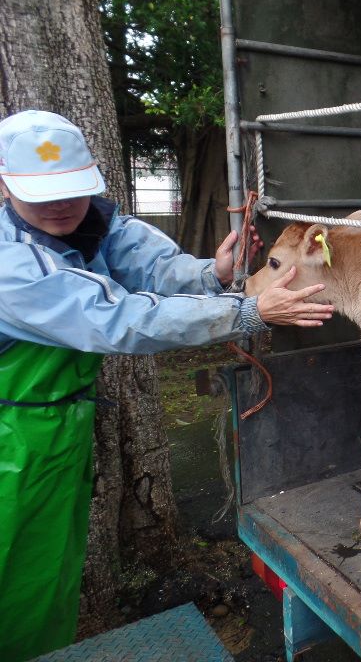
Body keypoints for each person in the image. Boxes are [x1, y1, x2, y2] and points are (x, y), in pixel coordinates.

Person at [0, 109, 333, 661]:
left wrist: (213, 274)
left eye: (72, 190)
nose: (61, 205)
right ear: (4, 183)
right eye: (42, 194)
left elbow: (151, 265)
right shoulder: (13, 266)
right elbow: (119, 317)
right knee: (12, 575)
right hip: (11, 441)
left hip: (58, 431)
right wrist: (247, 312)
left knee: (49, 570)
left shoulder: (93, 225)